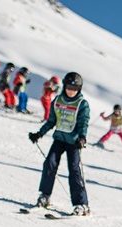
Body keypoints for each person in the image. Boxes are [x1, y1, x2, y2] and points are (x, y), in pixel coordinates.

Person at [27, 72, 91, 216]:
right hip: (59, 139)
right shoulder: (57, 100)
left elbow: (83, 123)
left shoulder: (82, 104)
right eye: (69, 87)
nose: (71, 90)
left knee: (74, 170)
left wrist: (82, 137)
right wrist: (39, 133)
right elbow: (51, 121)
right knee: (49, 163)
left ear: (79, 89)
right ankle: (45, 196)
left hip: (73, 142)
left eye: (74, 88)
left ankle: (82, 204)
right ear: (64, 86)